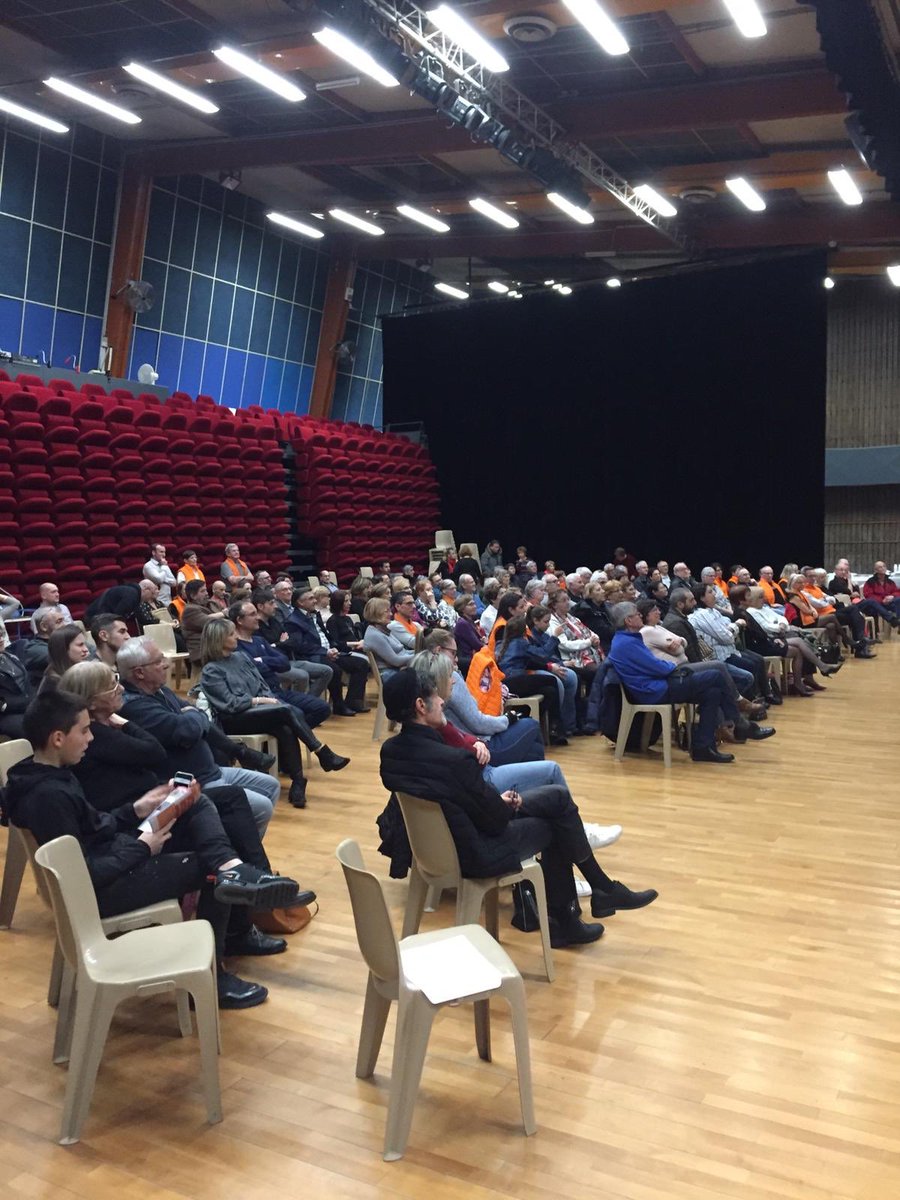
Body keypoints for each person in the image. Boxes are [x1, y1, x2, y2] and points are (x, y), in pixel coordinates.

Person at [3, 689, 309, 1010]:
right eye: (84, 730)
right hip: (100, 891)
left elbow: (94, 827)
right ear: (57, 738)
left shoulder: (49, 774)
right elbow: (83, 876)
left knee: (192, 804)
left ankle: (232, 868)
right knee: (209, 870)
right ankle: (212, 976)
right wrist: (142, 848)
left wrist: (137, 808)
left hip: (112, 858)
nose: (92, 738)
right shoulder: (49, 797)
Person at [379, 670, 657, 947]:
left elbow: (460, 802)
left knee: (557, 799)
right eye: (436, 696)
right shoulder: (454, 760)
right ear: (420, 705)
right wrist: (504, 804)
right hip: (475, 853)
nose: (442, 701)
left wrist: (499, 802)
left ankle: (595, 894)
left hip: (434, 850)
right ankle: (576, 911)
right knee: (554, 821)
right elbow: (494, 821)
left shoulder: (390, 754)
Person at [118, 635, 282, 833]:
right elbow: (188, 730)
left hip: (211, 769)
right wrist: (192, 715)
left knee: (271, 785)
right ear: (139, 673)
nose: (167, 664)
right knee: (261, 806)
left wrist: (191, 715)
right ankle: (241, 855)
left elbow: (193, 715)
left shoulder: (160, 691)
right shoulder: (135, 706)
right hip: (194, 782)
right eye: (159, 661)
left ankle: (244, 851)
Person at [200, 619, 349, 809]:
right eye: (231, 634)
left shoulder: (241, 658)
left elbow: (262, 685)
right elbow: (229, 704)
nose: (236, 636)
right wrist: (259, 701)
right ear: (218, 639)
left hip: (259, 712)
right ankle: (321, 752)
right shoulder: (210, 670)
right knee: (286, 710)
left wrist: (268, 699)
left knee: (285, 727)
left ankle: (298, 782)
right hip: (234, 719)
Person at [608, 601, 741, 763]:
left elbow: (655, 664)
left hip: (660, 684)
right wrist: (672, 665)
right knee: (715, 675)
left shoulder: (629, 639)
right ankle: (737, 722)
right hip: (655, 690)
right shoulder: (627, 643)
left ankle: (703, 747)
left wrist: (669, 666)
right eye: (637, 614)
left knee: (711, 693)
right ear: (628, 621)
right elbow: (658, 667)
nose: (640, 615)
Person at [420, 630, 545, 767]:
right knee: (532, 724)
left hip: (469, 746)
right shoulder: (450, 677)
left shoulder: (421, 674)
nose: (456, 659)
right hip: (480, 749)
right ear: (439, 650)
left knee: (533, 751)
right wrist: (508, 718)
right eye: (453, 653)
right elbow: (478, 723)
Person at [232, 598, 355, 719]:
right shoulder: (236, 646)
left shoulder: (262, 636)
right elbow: (256, 668)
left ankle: (301, 717)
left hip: (280, 679)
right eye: (252, 614)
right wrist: (272, 655)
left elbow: (284, 661)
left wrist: (264, 658)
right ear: (240, 620)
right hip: (264, 693)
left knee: (322, 706)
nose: (257, 617)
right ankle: (299, 720)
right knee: (301, 683)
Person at [496, 608, 578, 742]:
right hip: (514, 680)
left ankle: (538, 725)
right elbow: (543, 654)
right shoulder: (521, 643)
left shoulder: (503, 643)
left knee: (549, 691)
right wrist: (555, 637)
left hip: (508, 681)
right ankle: (556, 725)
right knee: (551, 680)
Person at [283, 588, 339, 700]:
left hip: (324, 651)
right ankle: (310, 701)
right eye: (311, 598)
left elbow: (325, 634)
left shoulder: (313, 614)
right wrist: (325, 652)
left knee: (357, 662)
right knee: (335, 670)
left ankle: (348, 702)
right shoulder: (293, 621)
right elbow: (301, 646)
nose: (315, 601)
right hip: (309, 655)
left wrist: (333, 648)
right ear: (300, 603)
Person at [829, 559, 899, 630]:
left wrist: (891, 597)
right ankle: (891, 619)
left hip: (866, 603)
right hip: (847, 606)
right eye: (841, 570)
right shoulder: (833, 583)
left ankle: (877, 631)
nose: (844, 572)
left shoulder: (890, 582)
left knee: (894, 601)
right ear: (835, 571)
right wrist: (850, 581)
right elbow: (851, 592)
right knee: (871, 602)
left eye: (846, 570)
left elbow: (857, 594)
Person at [363, 597, 415, 679]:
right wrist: (419, 656)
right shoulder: (374, 635)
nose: (391, 614)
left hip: (399, 670)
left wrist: (421, 652)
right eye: (387, 611)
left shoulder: (383, 629)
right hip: (390, 674)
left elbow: (404, 652)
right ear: (376, 613)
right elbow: (396, 661)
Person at [180, 579, 223, 667]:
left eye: (206, 590)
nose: (207, 593)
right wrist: (224, 613)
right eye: (202, 591)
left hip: (214, 647)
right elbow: (209, 622)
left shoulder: (208, 604)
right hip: (201, 651)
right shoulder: (190, 610)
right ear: (193, 596)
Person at [22, 605, 67, 687]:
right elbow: (64, 658)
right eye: (59, 622)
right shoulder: (35, 649)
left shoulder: (62, 640)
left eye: (63, 621)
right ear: (44, 626)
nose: (64, 625)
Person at [0, 637, 35, 738]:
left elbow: (28, 682)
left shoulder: (10, 656)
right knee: (29, 727)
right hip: (6, 714)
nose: (1, 639)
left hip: (27, 704)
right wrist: (6, 706)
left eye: (1, 634)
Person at [85, 579, 158, 625]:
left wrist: (158, 622)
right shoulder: (131, 595)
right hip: (95, 618)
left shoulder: (135, 595)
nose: (151, 598)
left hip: (99, 617)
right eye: (152, 593)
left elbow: (142, 619)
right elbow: (118, 618)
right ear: (146, 589)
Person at [452, 594, 486, 674]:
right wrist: (485, 643)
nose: (474, 606)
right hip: (467, 658)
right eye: (470, 605)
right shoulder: (462, 624)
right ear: (462, 609)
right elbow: (477, 645)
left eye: (474, 604)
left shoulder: (470, 621)